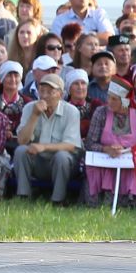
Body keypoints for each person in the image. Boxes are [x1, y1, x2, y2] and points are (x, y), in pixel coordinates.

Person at [14, 72, 83, 203]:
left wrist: (43, 147)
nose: (44, 95)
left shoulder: (71, 111)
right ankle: (23, 196)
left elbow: (71, 145)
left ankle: (58, 200)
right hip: (38, 162)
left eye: (50, 92)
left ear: (61, 95)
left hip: (62, 163)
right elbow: (22, 141)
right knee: (21, 151)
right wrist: (34, 115)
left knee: (62, 156)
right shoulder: (30, 108)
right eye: (42, 91)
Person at [85, 77, 136, 208]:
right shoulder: (101, 113)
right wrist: (106, 149)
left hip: (131, 168)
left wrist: (126, 150)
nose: (109, 101)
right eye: (108, 97)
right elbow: (89, 144)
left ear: (125, 101)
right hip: (104, 165)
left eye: (114, 99)